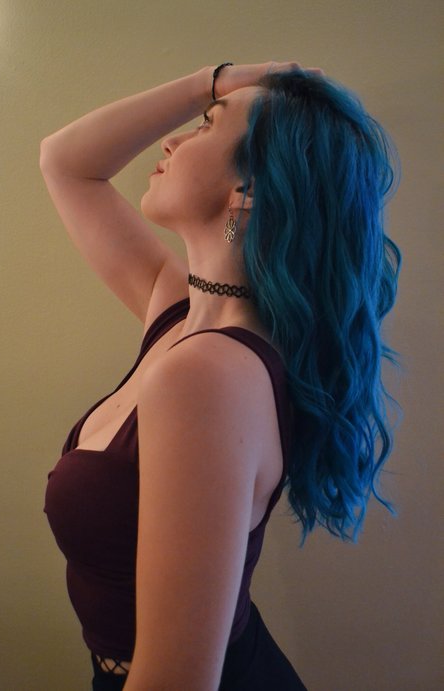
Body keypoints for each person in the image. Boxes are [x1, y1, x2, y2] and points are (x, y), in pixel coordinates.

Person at [41, 61, 401, 690]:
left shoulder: (208, 376)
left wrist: (223, 89)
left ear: (247, 189)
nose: (171, 140)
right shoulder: (179, 314)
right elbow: (66, 162)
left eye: (205, 126)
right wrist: (215, 81)